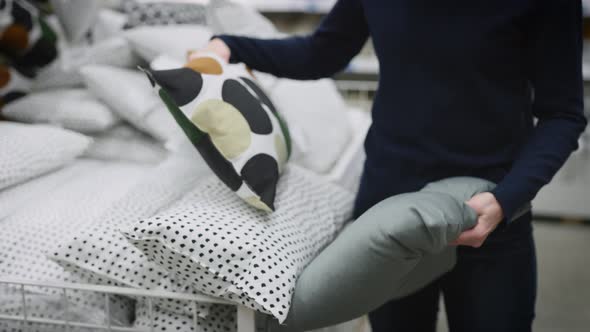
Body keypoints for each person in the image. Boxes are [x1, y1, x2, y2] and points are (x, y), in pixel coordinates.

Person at [195, 1, 587, 331]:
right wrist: (231, 47)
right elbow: (322, 53)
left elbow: (562, 114)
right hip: (389, 211)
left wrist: (508, 198)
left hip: (494, 210)